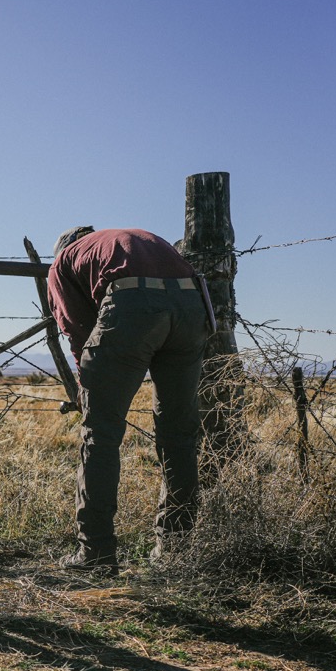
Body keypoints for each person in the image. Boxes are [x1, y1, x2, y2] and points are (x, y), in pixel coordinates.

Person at [48, 226, 210, 574]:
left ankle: (96, 553)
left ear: (63, 248)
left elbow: (78, 329)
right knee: (179, 435)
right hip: (191, 305)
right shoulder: (123, 241)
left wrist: (87, 384)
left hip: (133, 304)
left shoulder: (64, 261)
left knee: (101, 434)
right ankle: (177, 550)